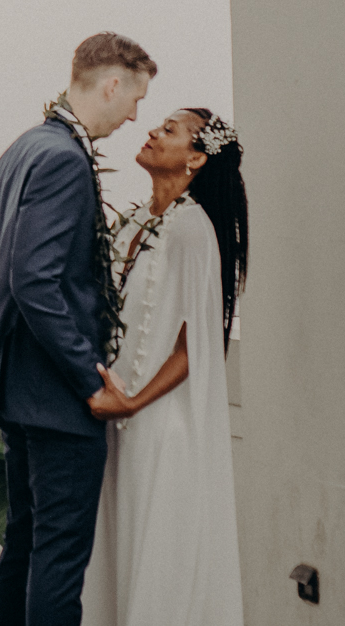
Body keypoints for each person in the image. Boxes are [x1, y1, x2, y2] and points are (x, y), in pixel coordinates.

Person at [0, 33, 155, 626]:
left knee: (24, 544)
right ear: (111, 84)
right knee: (58, 556)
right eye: (136, 98)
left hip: (17, 390)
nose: (134, 115)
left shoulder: (25, 148)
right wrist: (89, 378)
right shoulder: (62, 160)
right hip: (55, 396)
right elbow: (35, 282)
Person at [78, 108, 250, 626]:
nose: (152, 131)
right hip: (116, 423)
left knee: (158, 565)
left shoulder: (193, 229)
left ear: (196, 158)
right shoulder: (135, 222)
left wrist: (132, 400)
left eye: (169, 130)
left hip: (157, 425)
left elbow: (196, 343)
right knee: (117, 558)